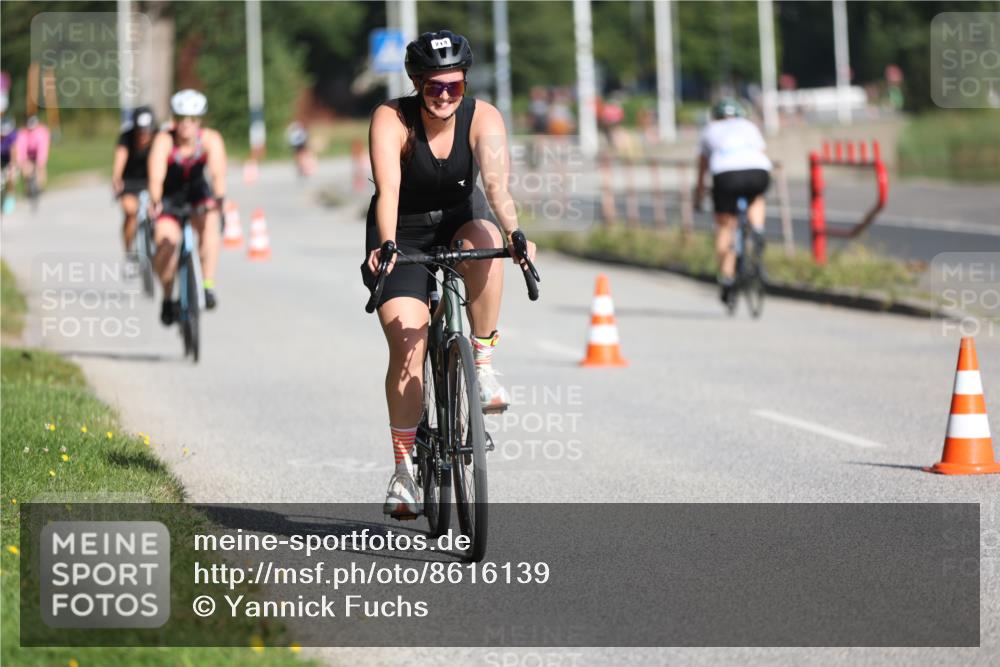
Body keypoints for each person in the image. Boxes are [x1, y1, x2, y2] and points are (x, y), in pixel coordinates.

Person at [363, 30, 536, 518]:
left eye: (453, 86)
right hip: (402, 233)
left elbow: (498, 186)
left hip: (462, 222)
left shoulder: (483, 117)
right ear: (417, 83)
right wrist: (389, 245)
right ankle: (403, 472)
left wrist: (516, 232)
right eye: (434, 87)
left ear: (465, 84)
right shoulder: (391, 118)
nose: (444, 96)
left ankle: (479, 363)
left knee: (487, 240)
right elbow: (389, 189)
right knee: (407, 349)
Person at [147, 89, 227, 325]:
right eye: (181, 118)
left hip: (197, 195)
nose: (186, 125)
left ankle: (207, 286)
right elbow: (156, 176)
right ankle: (168, 297)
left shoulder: (210, 139)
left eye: (191, 120)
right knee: (165, 243)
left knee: (210, 224)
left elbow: (218, 173)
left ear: (199, 121)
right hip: (170, 198)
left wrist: (219, 199)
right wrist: (156, 200)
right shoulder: (164, 140)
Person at [695, 99, 772, 303]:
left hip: (726, 174)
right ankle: (758, 228)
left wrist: (699, 193)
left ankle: (727, 278)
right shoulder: (749, 126)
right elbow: (762, 153)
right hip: (757, 170)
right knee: (755, 197)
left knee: (725, 226)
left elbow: (702, 166)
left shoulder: (710, 129)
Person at [112, 106, 156, 258]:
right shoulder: (126, 137)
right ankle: (129, 250)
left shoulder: (158, 137)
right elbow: (120, 159)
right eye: (140, 131)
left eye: (147, 131)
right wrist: (117, 179)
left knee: (157, 212)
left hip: (153, 181)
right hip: (130, 182)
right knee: (130, 213)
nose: (144, 135)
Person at [15, 115, 50, 194]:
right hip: (28, 154)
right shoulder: (23, 133)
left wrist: (40, 161)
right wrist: (22, 161)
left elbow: (43, 148)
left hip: (39, 153)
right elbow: (21, 148)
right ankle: (27, 188)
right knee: (25, 169)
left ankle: (41, 186)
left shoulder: (42, 132)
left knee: (40, 168)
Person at [0, 117, 17, 213]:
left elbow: (14, 152)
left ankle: (10, 198)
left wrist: (12, 165)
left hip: (10, 159)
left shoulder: (11, 137)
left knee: (11, 178)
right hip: (1, 159)